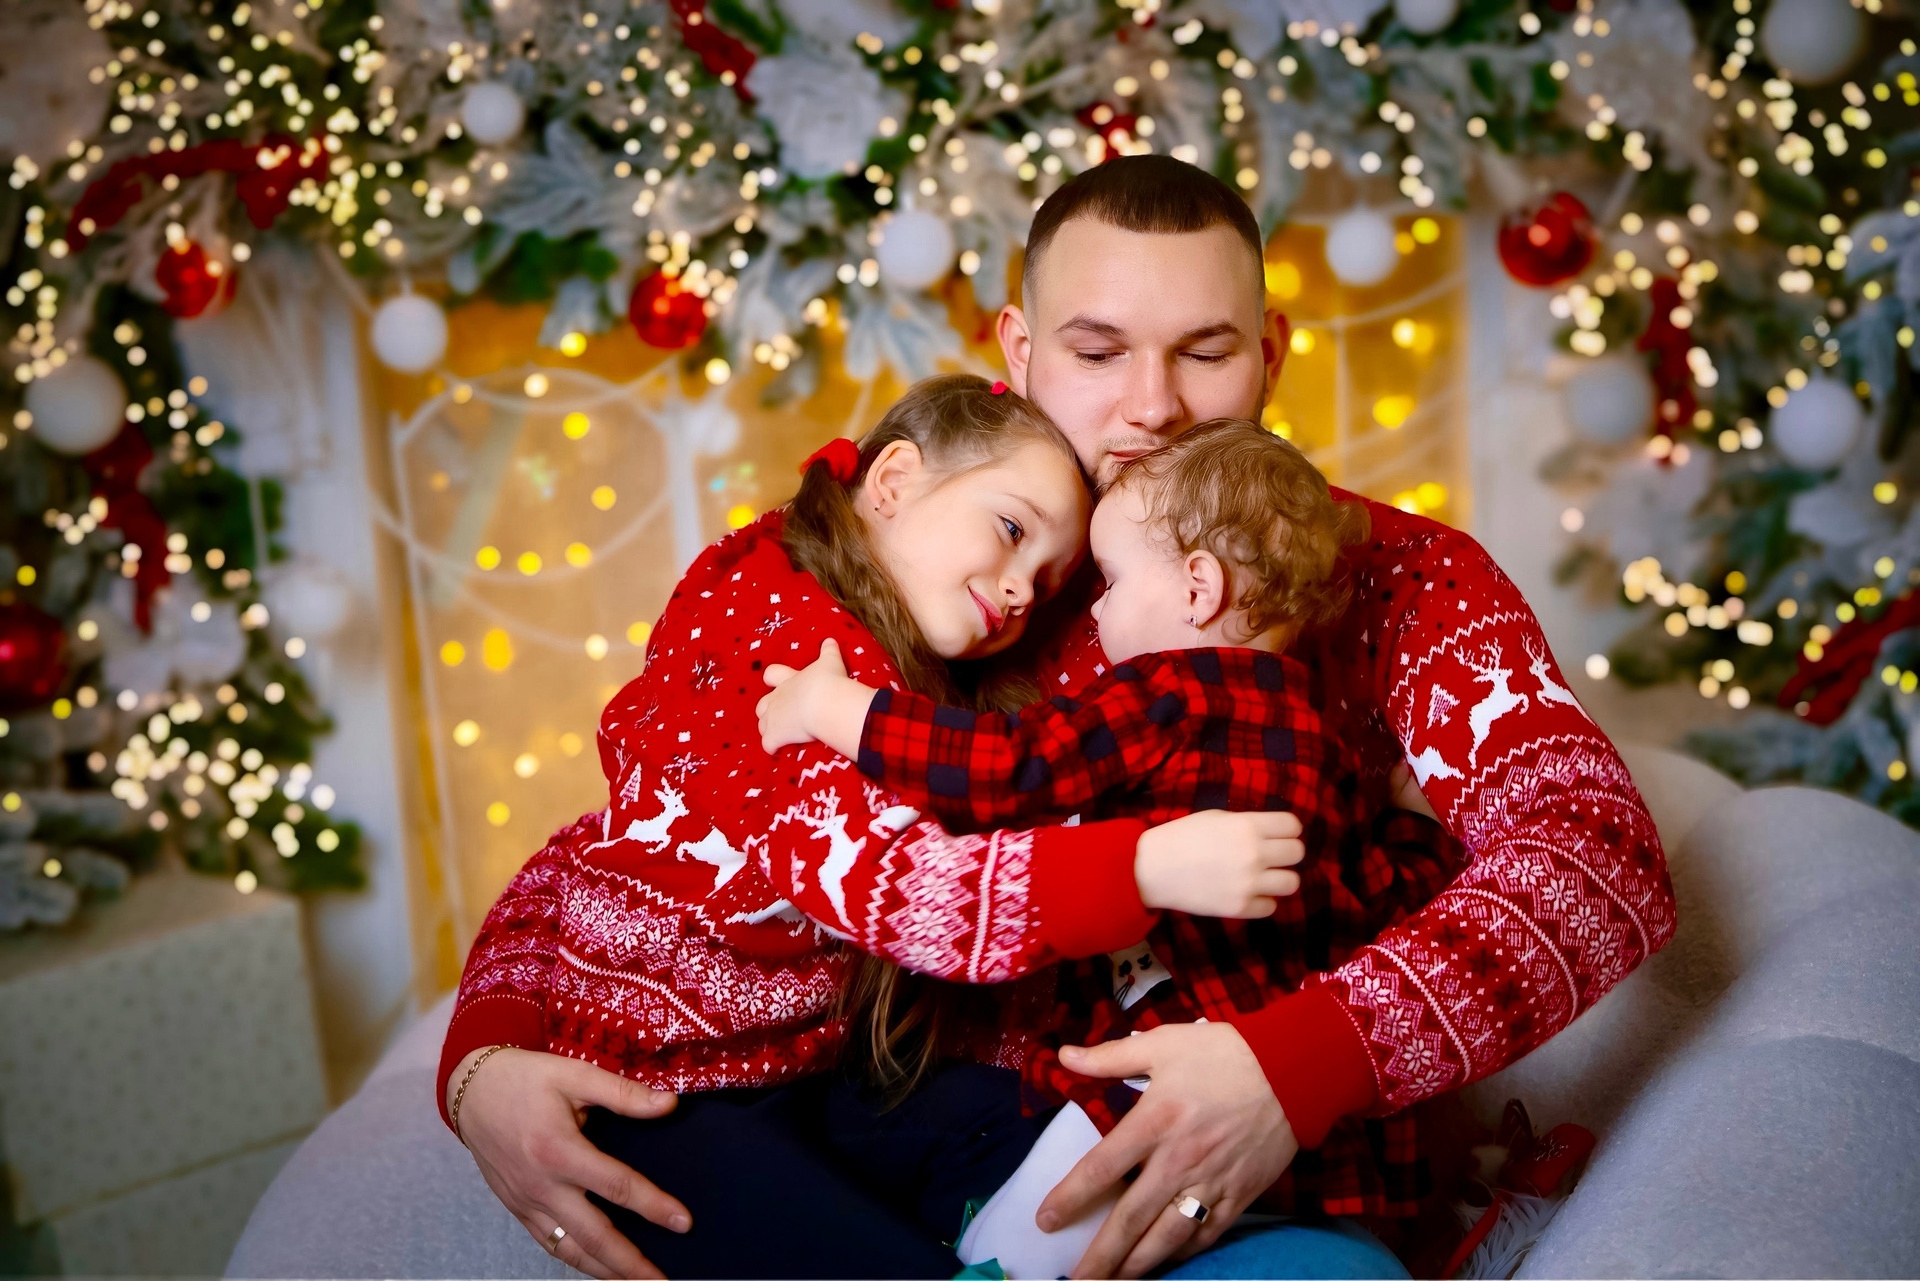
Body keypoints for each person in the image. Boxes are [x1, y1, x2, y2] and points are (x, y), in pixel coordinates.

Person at [443, 155, 1677, 1280]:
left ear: (1271, 352)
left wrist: (1299, 1065)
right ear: (1020, 349)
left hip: (1235, 1181)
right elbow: (664, 816)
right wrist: (483, 1064)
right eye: (1098, 352)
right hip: (895, 1130)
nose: (1153, 406)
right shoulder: (944, 564)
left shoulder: (1393, 575)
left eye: (1205, 351)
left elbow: (1596, 857)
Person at [439, 374, 1307, 1279]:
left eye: (1049, 581)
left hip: (816, 1072)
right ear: (892, 481)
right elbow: (894, 884)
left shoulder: (910, 667)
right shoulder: (784, 641)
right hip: (659, 1090)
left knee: (1056, 1137)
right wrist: (1139, 868)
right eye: (1012, 530)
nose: (1022, 591)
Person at [756, 417, 1468, 1150]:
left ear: (1199, 588)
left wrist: (836, 708)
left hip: (1151, 1056)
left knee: (1024, 1216)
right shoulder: (1325, 743)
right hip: (1283, 1089)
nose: (1093, 610)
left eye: (1112, 582)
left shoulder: (1160, 695)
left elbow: (1007, 766)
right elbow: (1378, 895)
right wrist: (1417, 827)